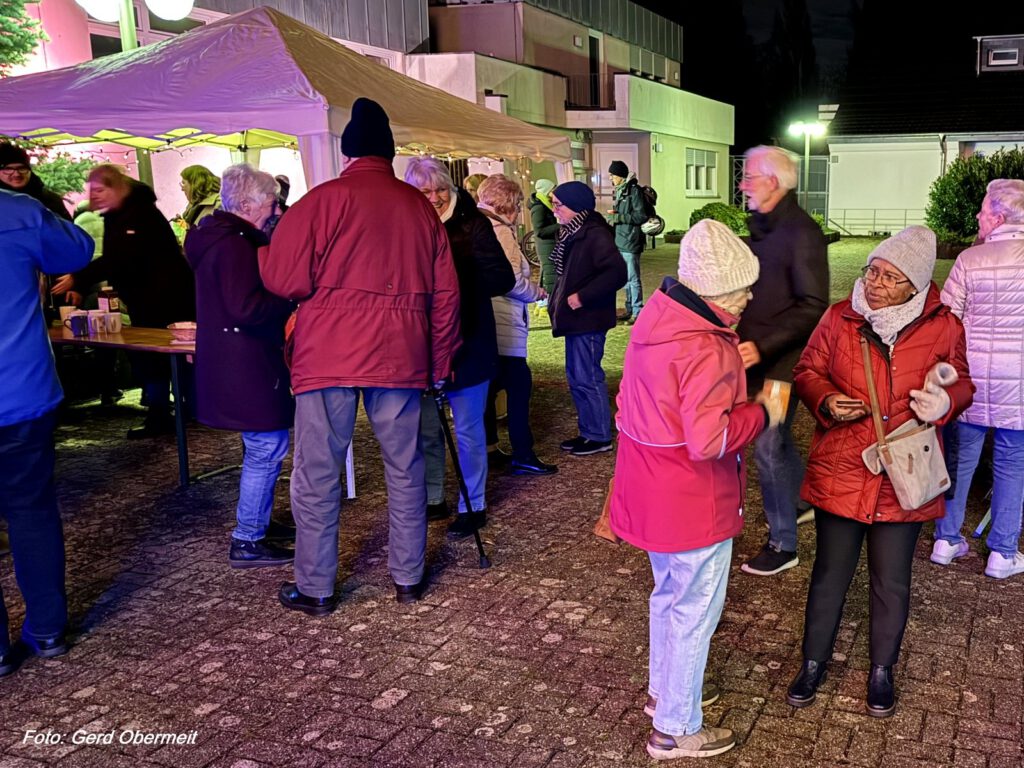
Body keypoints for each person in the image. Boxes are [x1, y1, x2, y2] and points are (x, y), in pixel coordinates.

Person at [261, 98, 460, 613]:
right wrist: (439, 364)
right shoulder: (419, 208)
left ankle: (317, 586)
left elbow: (285, 280)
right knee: (405, 465)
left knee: (318, 471)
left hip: (327, 354)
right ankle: (408, 577)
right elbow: (446, 297)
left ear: (346, 151)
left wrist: (265, 250)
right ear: (390, 153)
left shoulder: (320, 201)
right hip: (400, 355)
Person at [787, 226, 973, 718]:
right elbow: (807, 371)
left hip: (905, 473)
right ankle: (812, 662)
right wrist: (825, 399)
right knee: (830, 573)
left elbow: (962, 381)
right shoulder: (838, 318)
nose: (875, 283)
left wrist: (944, 401)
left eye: (891, 278)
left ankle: (881, 670)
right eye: (873, 270)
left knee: (892, 581)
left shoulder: (944, 327)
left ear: (914, 286)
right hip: (845, 465)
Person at [611, 220, 779, 760]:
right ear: (712, 291)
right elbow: (711, 439)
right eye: (741, 288)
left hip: (651, 488)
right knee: (695, 611)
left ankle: (666, 695)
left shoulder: (657, 319)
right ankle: (676, 728)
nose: (748, 297)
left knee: (668, 596)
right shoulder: (707, 347)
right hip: (692, 498)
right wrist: (764, 412)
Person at [0, 189, 94, 676]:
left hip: (23, 393)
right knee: (31, 510)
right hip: (21, 390)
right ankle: (48, 629)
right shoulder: (17, 211)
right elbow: (77, 250)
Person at [183, 164, 296, 569]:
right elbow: (246, 308)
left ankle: (257, 526)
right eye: (270, 202)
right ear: (247, 204)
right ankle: (248, 537)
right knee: (267, 447)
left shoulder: (216, 237)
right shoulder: (234, 245)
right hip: (246, 362)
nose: (275, 209)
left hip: (233, 361)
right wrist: (290, 300)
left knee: (262, 446)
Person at [405, 157, 514, 535]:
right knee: (427, 428)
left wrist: (454, 291)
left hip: (469, 339)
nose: (434, 198)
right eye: (425, 192)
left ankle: (474, 503)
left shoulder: (473, 224)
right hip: (420, 344)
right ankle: (433, 497)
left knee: (468, 429)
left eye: (440, 190)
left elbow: (501, 277)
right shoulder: (405, 226)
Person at [736, 145, 829, 577]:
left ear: (773, 182)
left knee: (769, 445)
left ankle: (783, 543)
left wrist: (764, 345)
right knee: (777, 440)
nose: (743, 185)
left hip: (780, 364)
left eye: (749, 177)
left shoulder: (801, 232)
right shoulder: (762, 227)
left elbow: (813, 306)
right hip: (753, 358)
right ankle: (799, 501)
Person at [52, 164, 196, 439]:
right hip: (150, 297)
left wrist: (79, 279)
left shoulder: (137, 213)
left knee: (162, 356)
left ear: (117, 187)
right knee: (151, 357)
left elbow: (122, 258)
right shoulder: (119, 213)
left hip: (166, 299)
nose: (94, 197)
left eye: (99, 190)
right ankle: (165, 412)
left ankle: (174, 413)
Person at [933, 179, 1024, 579]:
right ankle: (1003, 552)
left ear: (999, 217)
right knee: (1012, 464)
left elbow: (946, 319)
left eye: (984, 210)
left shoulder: (970, 259)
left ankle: (945, 539)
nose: (977, 216)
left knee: (960, 460)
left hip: (970, 381)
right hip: (1019, 384)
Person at [477, 174, 557, 477]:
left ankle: (489, 447)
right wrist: (536, 292)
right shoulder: (502, 233)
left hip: (486, 320)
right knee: (519, 387)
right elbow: (509, 280)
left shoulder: (476, 226)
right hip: (504, 319)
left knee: (488, 389)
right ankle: (523, 453)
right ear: (509, 203)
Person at [548, 181, 627, 456]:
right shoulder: (574, 231)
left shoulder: (593, 234)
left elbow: (617, 272)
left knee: (587, 376)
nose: (554, 210)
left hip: (588, 318)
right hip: (576, 319)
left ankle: (599, 435)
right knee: (577, 377)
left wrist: (582, 296)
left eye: (558, 205)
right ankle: (589, 432)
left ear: (576, 206)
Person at [607, 160, 648, 324]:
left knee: (633, 278)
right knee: (625, 278)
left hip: (630, 240)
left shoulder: (633, 191)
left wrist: (618, 217)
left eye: (612, 175)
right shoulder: (620, 191)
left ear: (621, 176)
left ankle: (637, 311)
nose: (611, 178)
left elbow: (641, 216)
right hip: (621, 239)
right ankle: (629, 308)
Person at [0, 143, 71, 220]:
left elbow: (68, 230)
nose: (17, 174)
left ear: (30, 170)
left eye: (22, 168)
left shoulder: (50, 199)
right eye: (8, 169)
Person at [528, 178, 559, 302]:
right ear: (547, 191)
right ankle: (550, 301)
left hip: (550, 243)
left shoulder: (546, 203)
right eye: (553, 190)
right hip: (546, 245)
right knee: (550, 273)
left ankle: (543, 302)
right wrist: (561, 225)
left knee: (547, 272)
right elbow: (540, 231)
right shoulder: (539, 207)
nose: (554, 193)